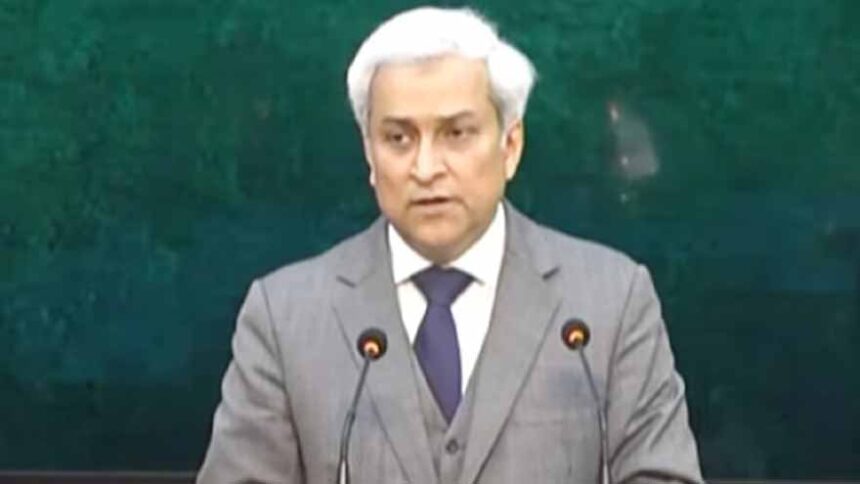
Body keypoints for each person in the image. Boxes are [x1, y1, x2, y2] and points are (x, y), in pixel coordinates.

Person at [197, 6, 703, 483]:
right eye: (399, 139)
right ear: (369, 155)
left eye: (456, 133)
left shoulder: (610, 303)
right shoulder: (284, 317)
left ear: (510, 146)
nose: (425, 168)